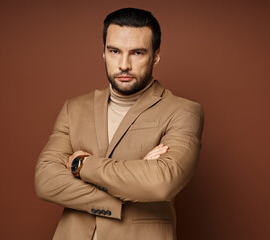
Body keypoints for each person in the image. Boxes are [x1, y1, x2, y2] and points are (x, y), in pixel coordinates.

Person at [35, 7, 204, 240]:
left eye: (137, 53)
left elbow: (162, 183)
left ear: (155, 56)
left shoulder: (183, 111)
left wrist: (81, 165)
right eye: (114, 51)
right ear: (104, 53)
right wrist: (131, 184)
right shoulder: (74, 108)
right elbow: (46, 181)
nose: (124, 64)